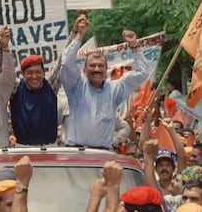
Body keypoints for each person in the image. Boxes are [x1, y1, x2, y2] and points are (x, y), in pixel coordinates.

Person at [59, 14, 149, 149]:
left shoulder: (115, 89)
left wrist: (134, 46)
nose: (96, 69)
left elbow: (142, 73)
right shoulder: (75, 86)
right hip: (75, 154)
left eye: (100, 66)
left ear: (106, 69)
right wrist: (79, 36)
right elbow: (66, 63)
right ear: (84, 69)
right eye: (92, 65)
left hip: (101, 155)